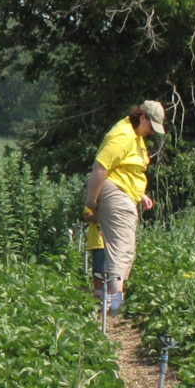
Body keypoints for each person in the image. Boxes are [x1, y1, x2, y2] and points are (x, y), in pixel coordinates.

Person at [80, 100, 163, 313]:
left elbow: (126, 170)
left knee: (124, 248)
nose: (152, 132)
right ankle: (114, 302)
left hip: (123, 193)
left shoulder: (136, 136)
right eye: (151, 126)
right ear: (142, 117)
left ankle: (114, 299)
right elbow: (100, 168)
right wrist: (91, 201)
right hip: (116, 194)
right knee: (121, 248)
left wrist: (139, 193)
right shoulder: (123, 135)